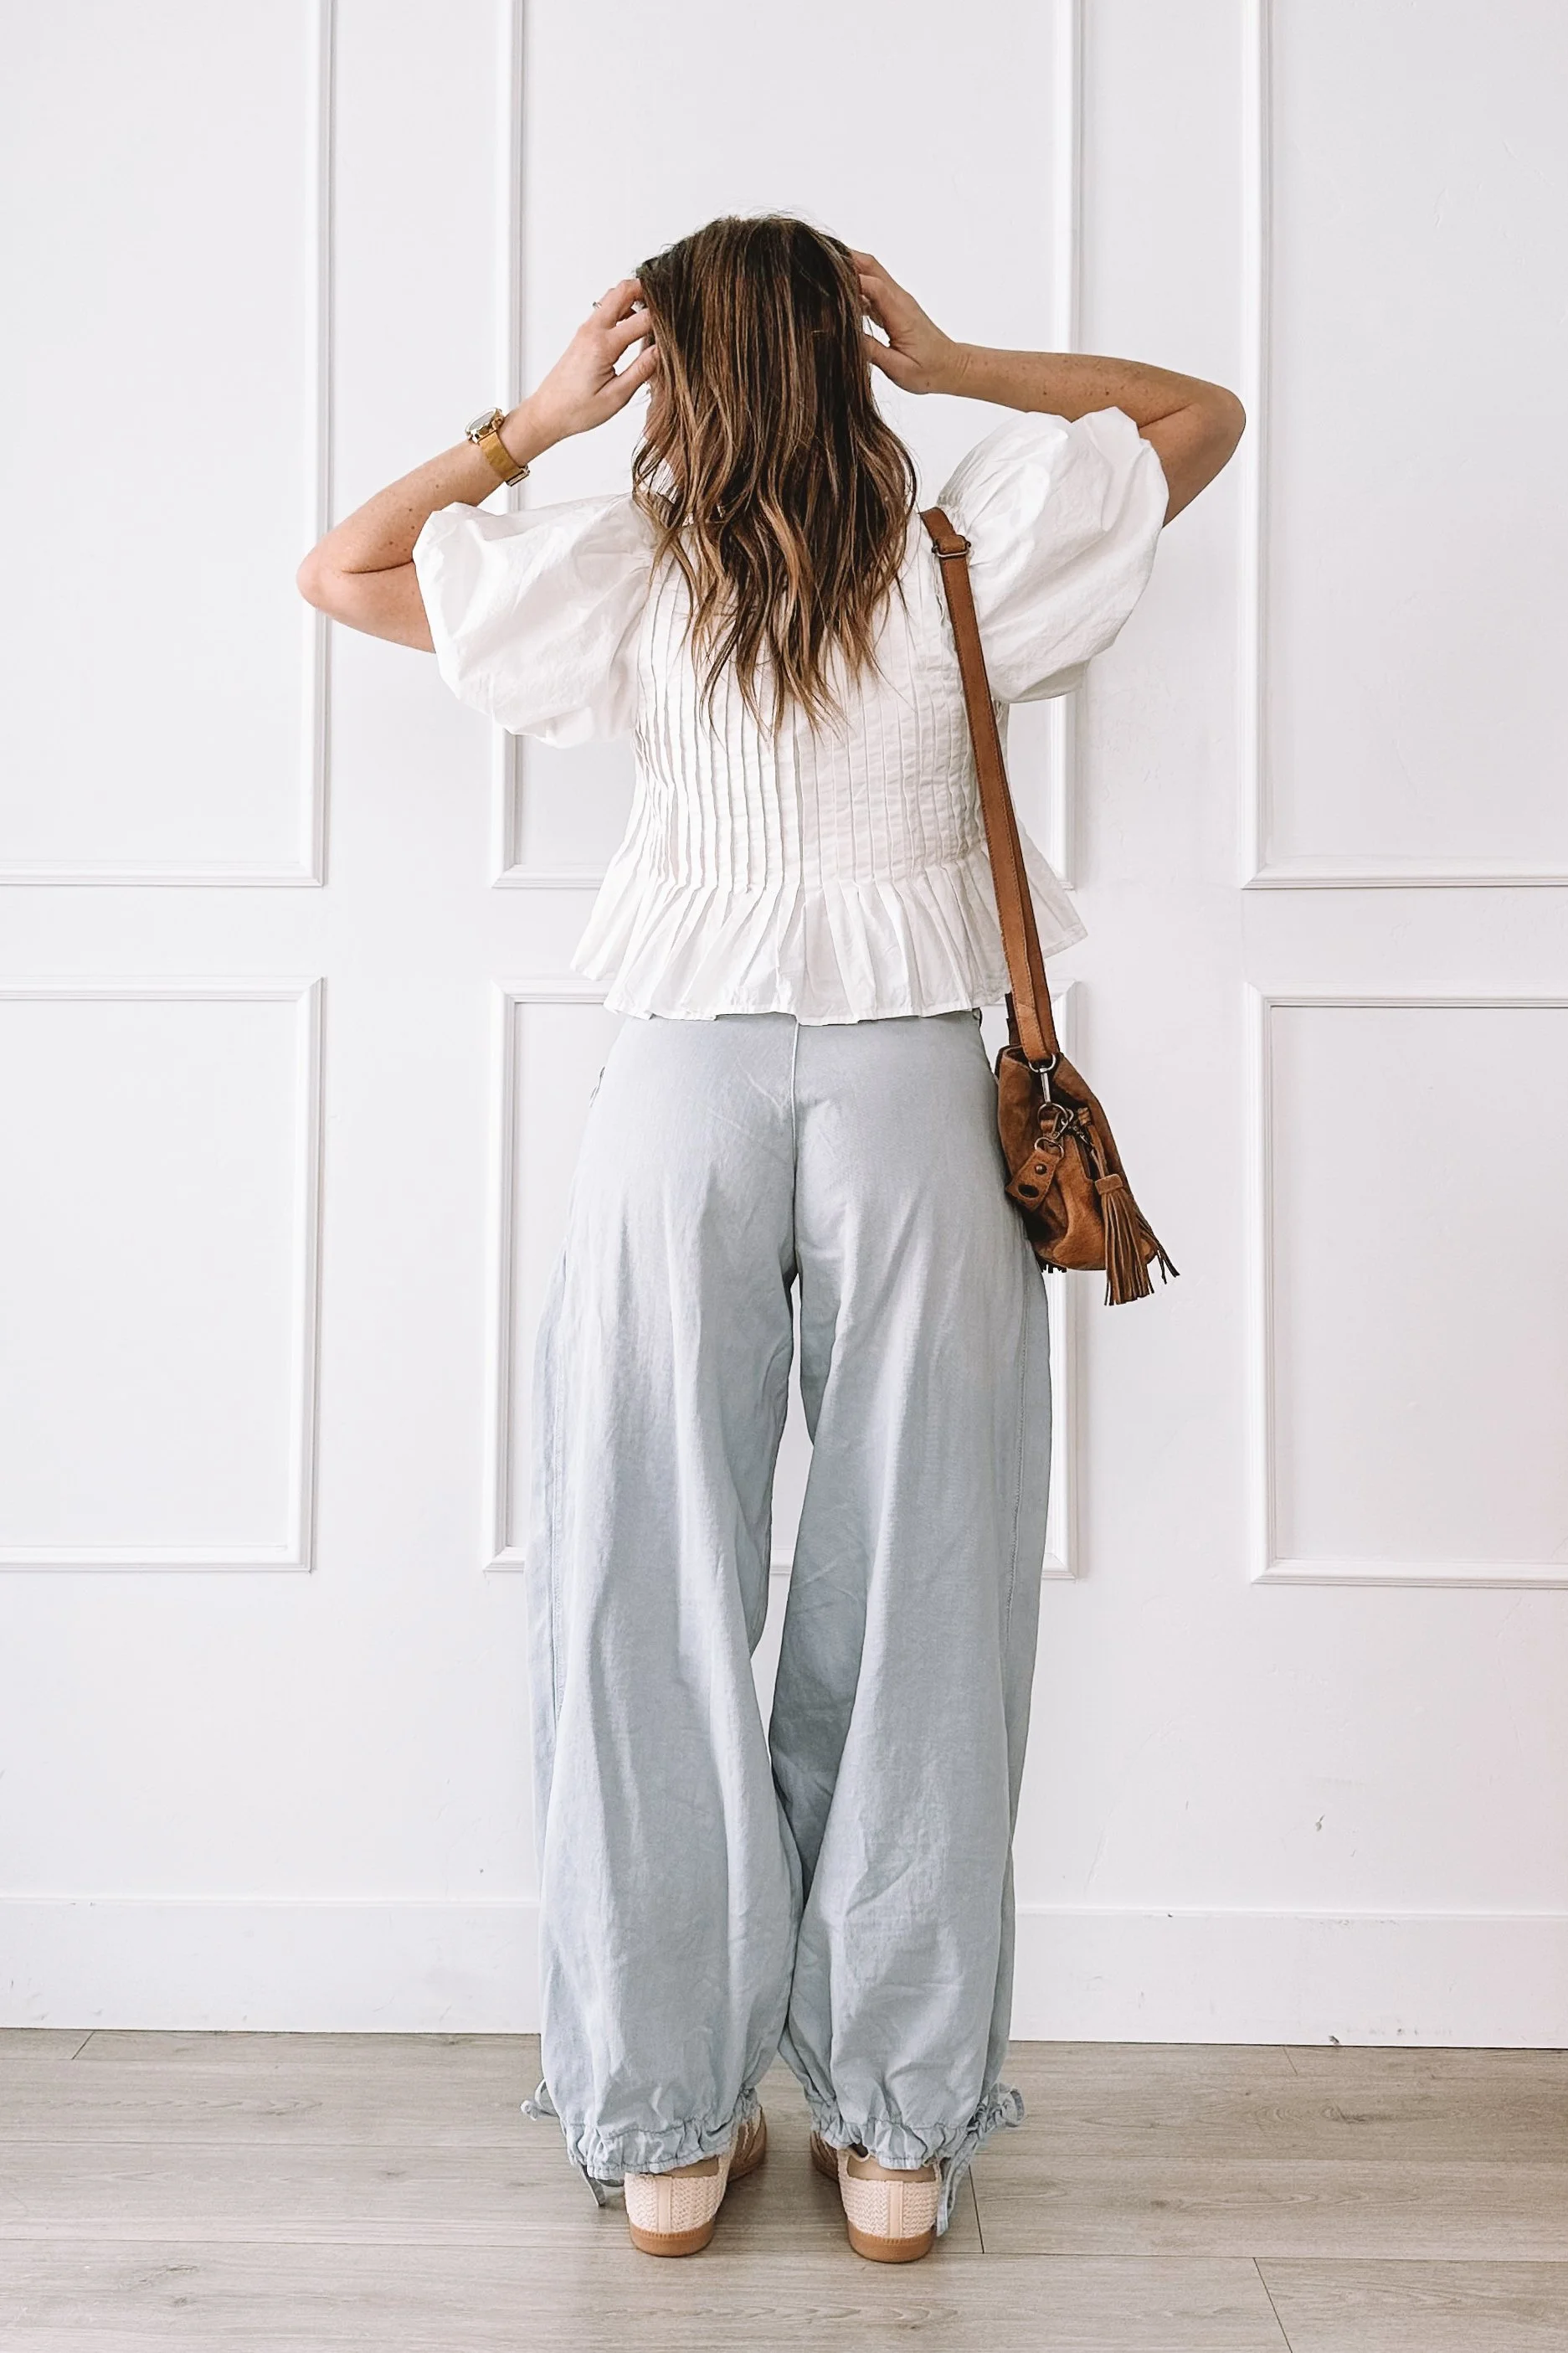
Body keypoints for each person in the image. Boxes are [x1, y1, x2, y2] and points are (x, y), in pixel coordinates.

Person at [299, 213, 1243, 2263]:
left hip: (683, 1094)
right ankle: (896, 2133)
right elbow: (1198, 416)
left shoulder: (625, 567)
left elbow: (349, 568)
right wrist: (964, 359)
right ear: (846, 350)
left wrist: (533, 419)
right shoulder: (973, 549)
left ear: (686, 372)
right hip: (919, 1092)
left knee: (646, 1568)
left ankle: (664, 2123)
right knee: (926, 1588)